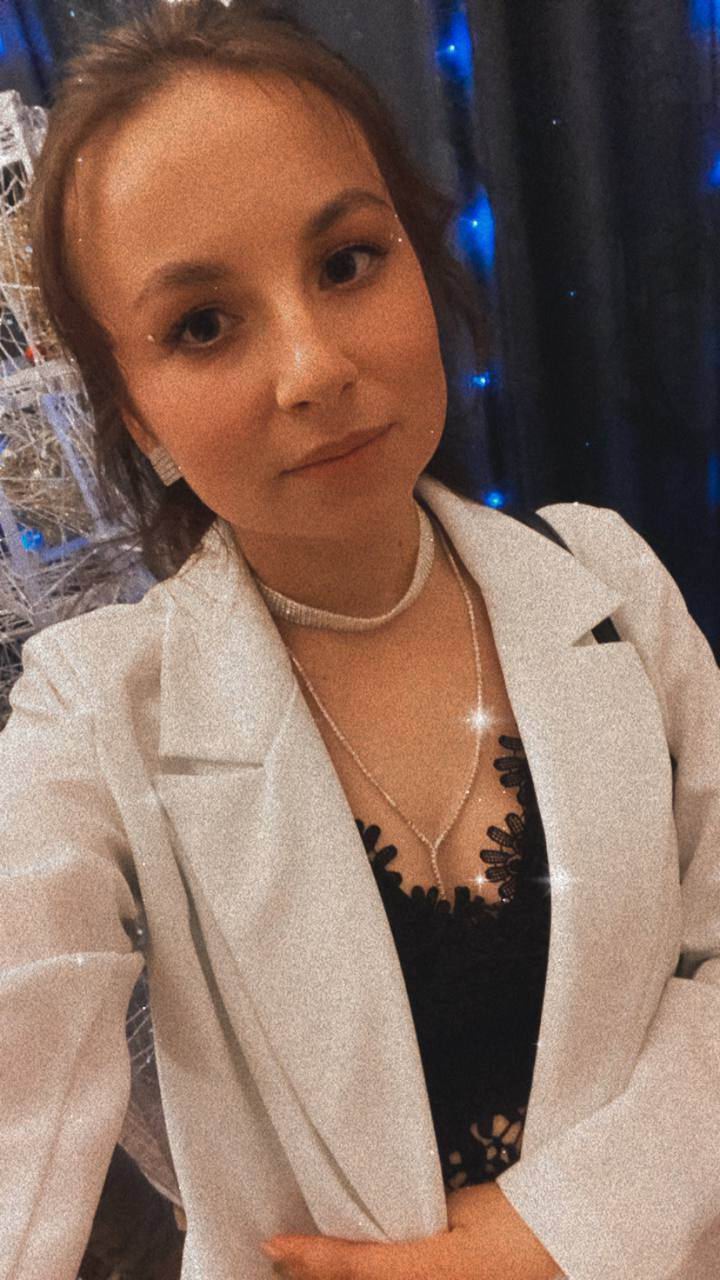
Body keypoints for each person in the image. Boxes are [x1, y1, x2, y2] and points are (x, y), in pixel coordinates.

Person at [3, 1, 718, 1278]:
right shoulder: (95, 707)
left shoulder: (608, 579)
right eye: (202, 324)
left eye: (345, 261)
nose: (313, 368)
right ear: (137, 412)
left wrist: (555, 1233)